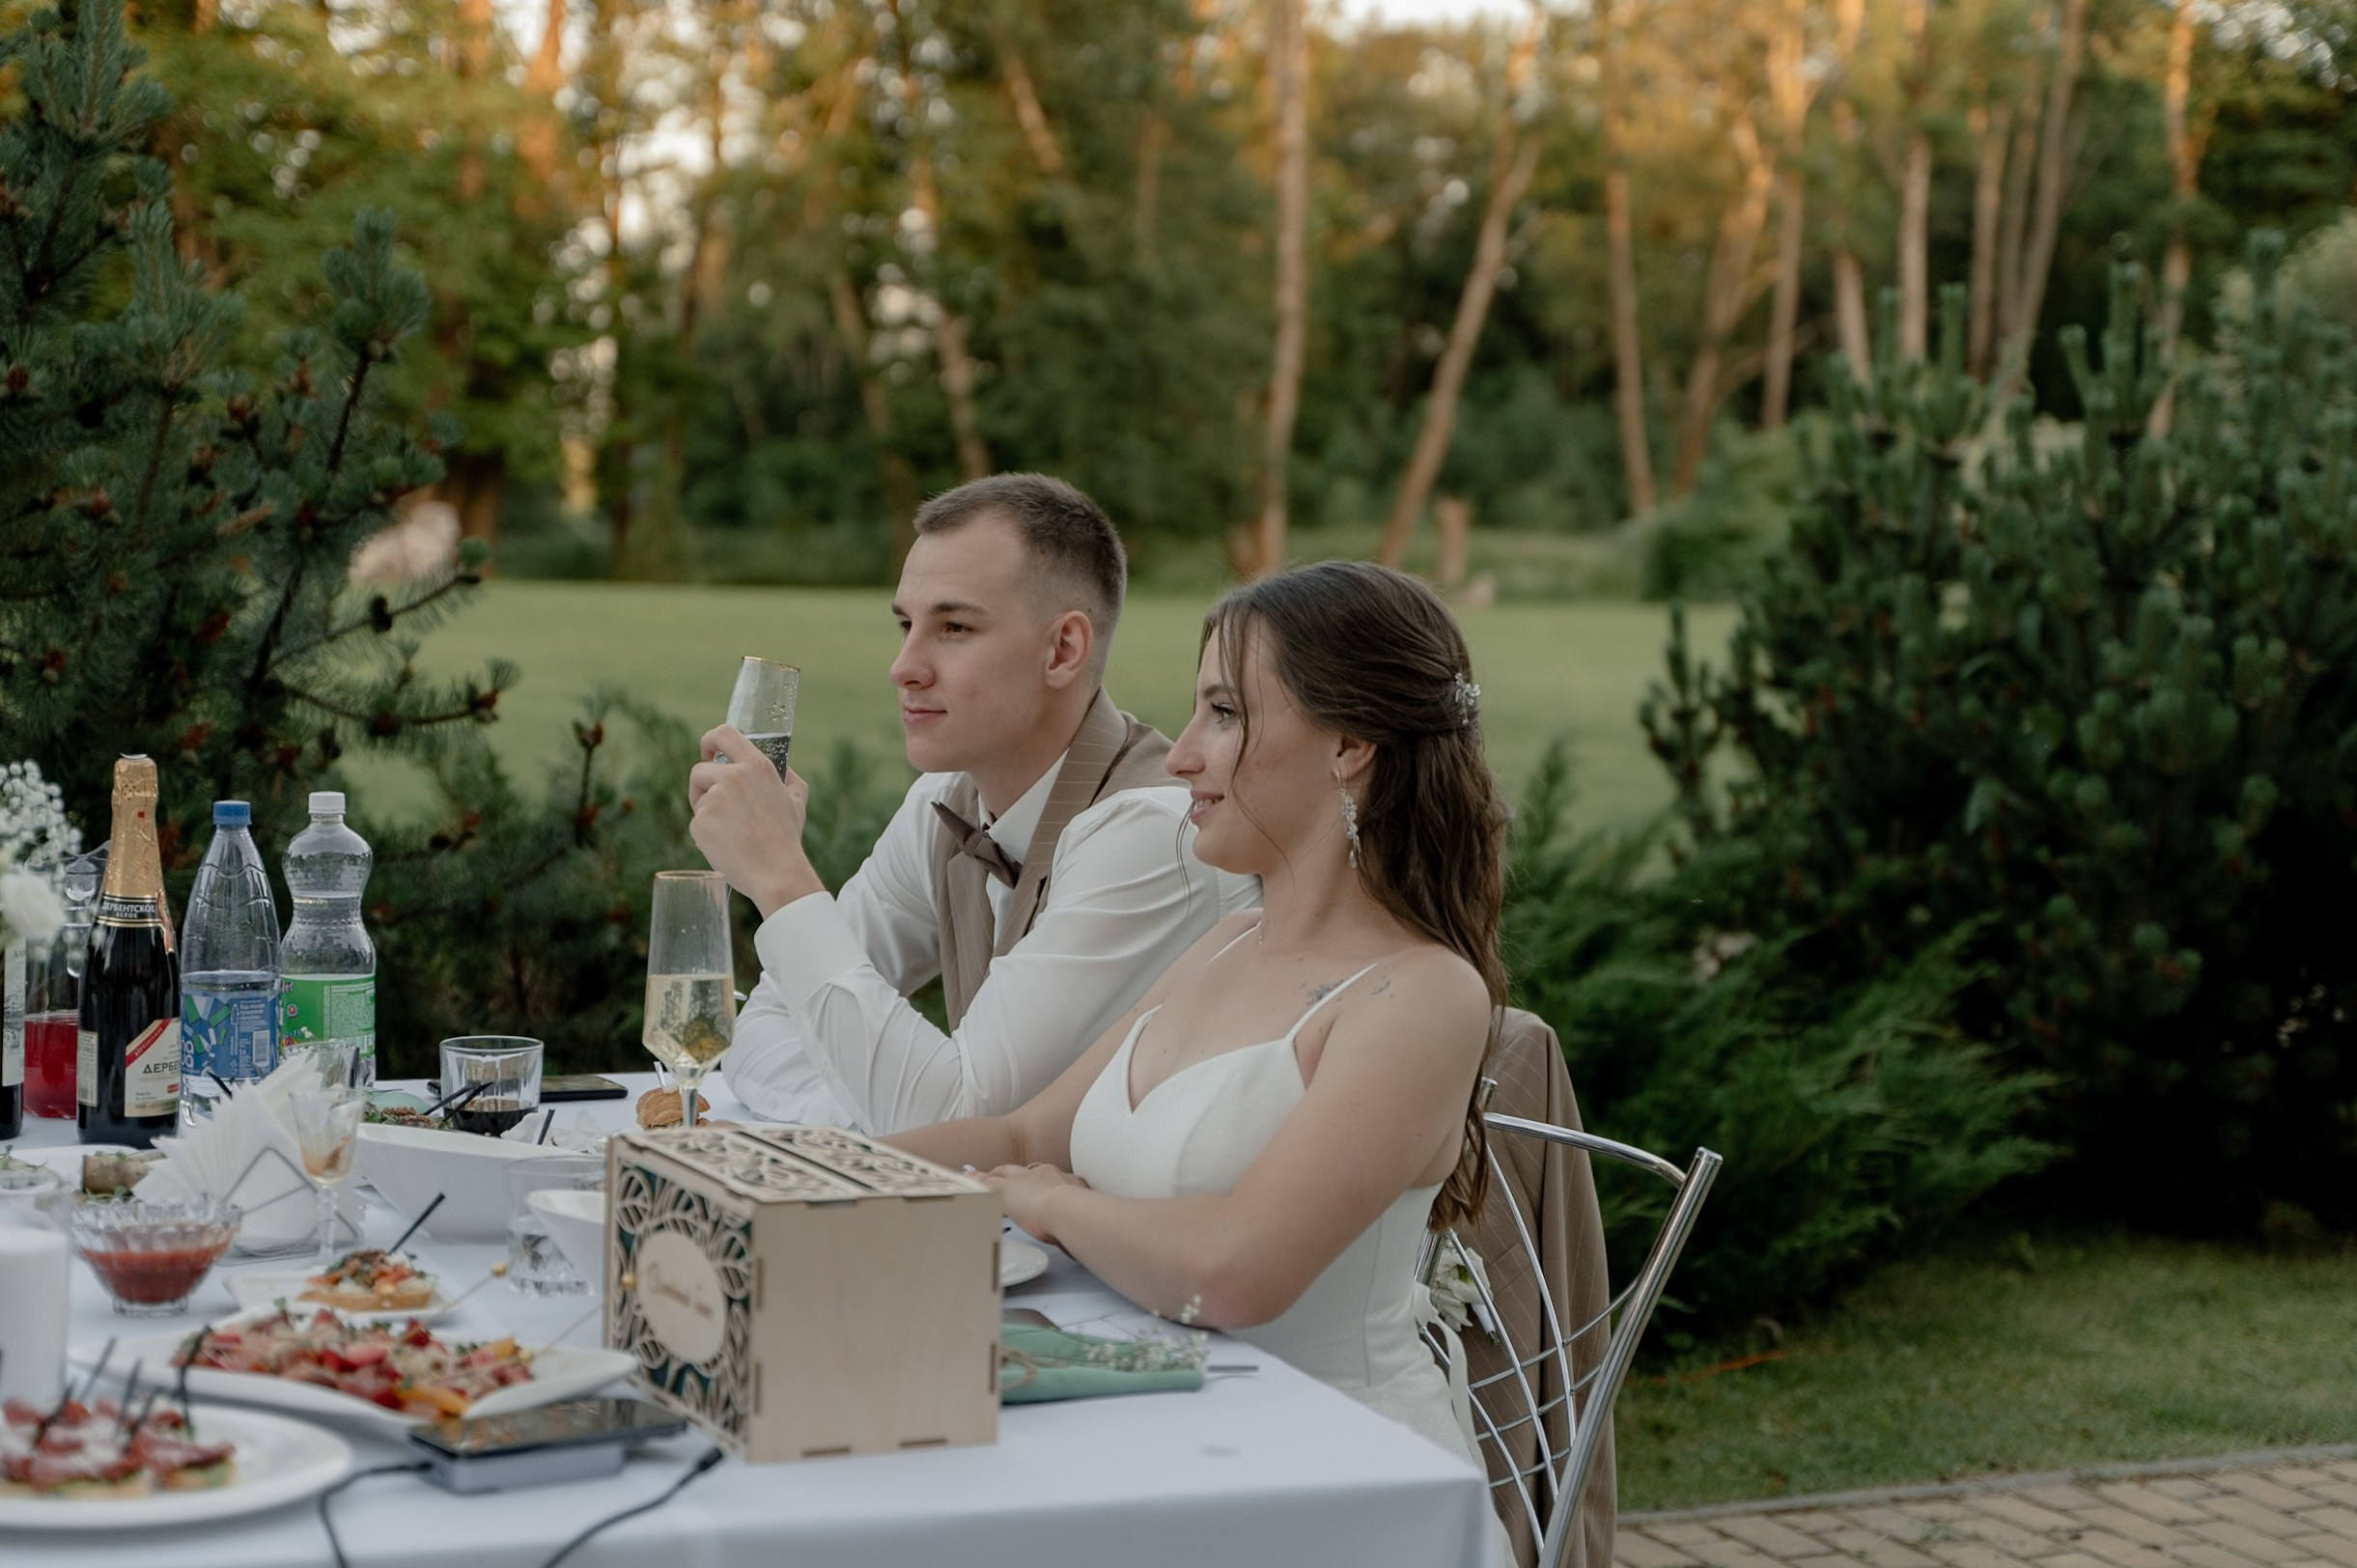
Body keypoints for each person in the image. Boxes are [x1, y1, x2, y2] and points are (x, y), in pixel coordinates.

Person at [889, 559, 1505, 1474]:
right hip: (1154, 1433)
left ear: (1348, 743)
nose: (1179, 754)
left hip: (1324, 1473)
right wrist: (799, 1173)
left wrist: (1049, 1202)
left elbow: (1233, 1270)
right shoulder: (1225, 942)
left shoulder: (1417, 996)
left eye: (1222, 714)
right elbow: (1025, 1129)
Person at [689, 473, 1252, 1133]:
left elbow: (958, 1115)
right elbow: (766, 1036)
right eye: (905, 625)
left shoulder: (1154, 834)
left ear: (1062, 649)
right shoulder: (944, 802)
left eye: (952, 627)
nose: (903, 666)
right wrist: (873, 1120)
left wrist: (781, 878)